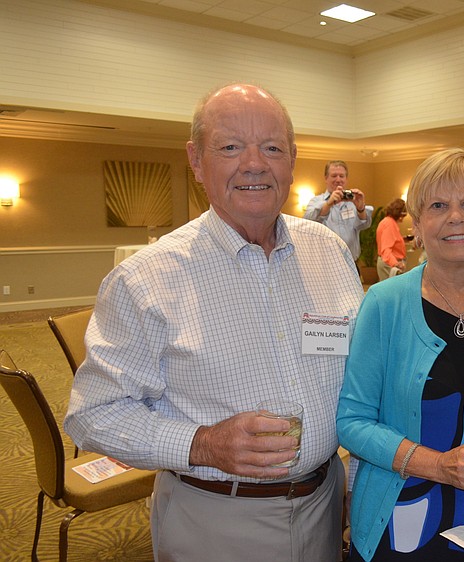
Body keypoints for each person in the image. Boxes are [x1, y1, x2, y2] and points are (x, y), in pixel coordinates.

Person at [65, 84, 364, 562]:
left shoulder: (328, 251)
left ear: (292, 160)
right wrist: (202, 444)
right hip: (215, 520)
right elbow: (93, 413)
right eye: (229, 147)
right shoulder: (146, 279)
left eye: (272, 147)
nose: (254, 163)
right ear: (196, 161)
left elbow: (360, 374)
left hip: (326, 505)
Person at [337, 148, 464, 562]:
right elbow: (352, 422)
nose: (456, 217)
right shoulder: (385, 302)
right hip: (399, 530)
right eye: (438, 205)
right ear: (416, 223)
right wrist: (439, 465)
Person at [304, 160, 373, 261]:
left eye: (341, 176)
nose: (338, 179)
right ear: (326, 178)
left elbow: (365, 225)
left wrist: (360, 208)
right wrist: (328, 204)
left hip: (351, 262)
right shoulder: (316, 201)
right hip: (325, 263)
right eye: (334, 175)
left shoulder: (353, 201)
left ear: (346, 179)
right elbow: (307, 221)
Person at [376, 197, 408, 281]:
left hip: (388, 262)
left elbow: (390, 241)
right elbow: (386, 249)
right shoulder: (389, 224)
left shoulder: (387, 222)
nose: (402, 218)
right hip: (389, 264)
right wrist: (396, 264)